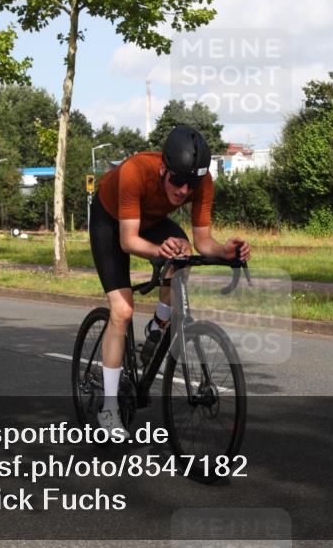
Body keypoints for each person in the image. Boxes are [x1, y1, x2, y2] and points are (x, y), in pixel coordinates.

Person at [89, 125, 251, 436]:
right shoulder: (135, 171)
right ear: (163, 169)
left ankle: (158, 325)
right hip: (111, 222)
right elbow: (128, 240)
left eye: (192, 185)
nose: (184, 192)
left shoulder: (202, 184)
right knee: (122, 312)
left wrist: (226, 251)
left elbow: (204, 242)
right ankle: (109, 409)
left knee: (184, 251)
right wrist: (158, 250)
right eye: (177, 182)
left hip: (150, 222)